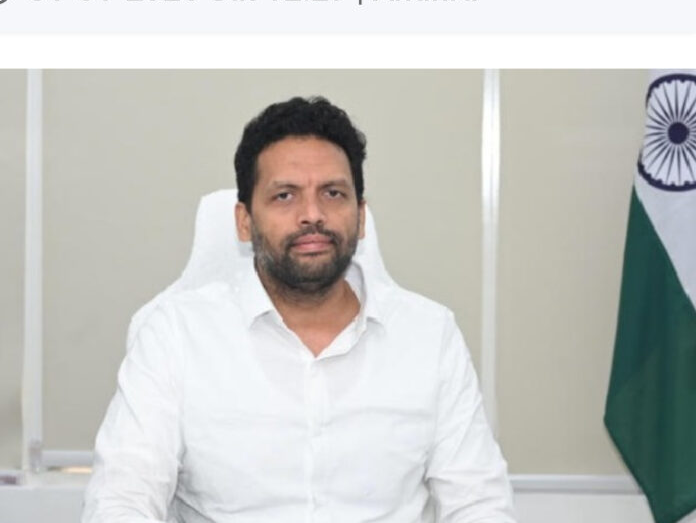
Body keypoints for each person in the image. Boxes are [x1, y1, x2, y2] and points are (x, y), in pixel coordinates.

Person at [83, 97, 516, 523]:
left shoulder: (428, 335)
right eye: (285, 195)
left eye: (333, 193)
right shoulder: (177, 334)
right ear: (244, 221)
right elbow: (123, 496)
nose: (312, 214)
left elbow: (478, 503)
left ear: (360, 215)